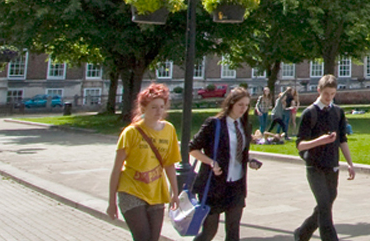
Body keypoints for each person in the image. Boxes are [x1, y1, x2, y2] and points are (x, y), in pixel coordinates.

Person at [107, 83, 180, 241]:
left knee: (153, 238)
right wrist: (111, 201)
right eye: (154, 107)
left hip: (156, 191)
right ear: (143, 108)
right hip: (131, 190)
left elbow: (169, 164)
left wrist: (175, 192)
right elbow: (116, 169)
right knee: (142, 237)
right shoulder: (131, 133)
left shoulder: (169, 130)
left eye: (161, 106)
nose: (158, 111)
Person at [188, 87, 262, 241]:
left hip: (236, 185)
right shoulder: (214, 124)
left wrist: (249, 161)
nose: (244, 109)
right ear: (231, 103)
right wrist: (211, 162)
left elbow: (238, 152)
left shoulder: (244, 125)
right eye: (240, 104)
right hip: (214, 186)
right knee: (209, 232)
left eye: (247, 105)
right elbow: (193, 148)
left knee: (233, 232)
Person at [295, 75, 356, 241]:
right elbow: (300, 145)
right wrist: (320, 141)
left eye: (332, 94)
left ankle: (302, 233)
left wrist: (350, 164)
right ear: (319, 90)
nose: (329, 98)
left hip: (332, 165)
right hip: (314, 166)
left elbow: (342, 140)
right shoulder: (310, 113)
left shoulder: (337, 112)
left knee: (326, 204)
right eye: (326, 94)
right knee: (324, 204)